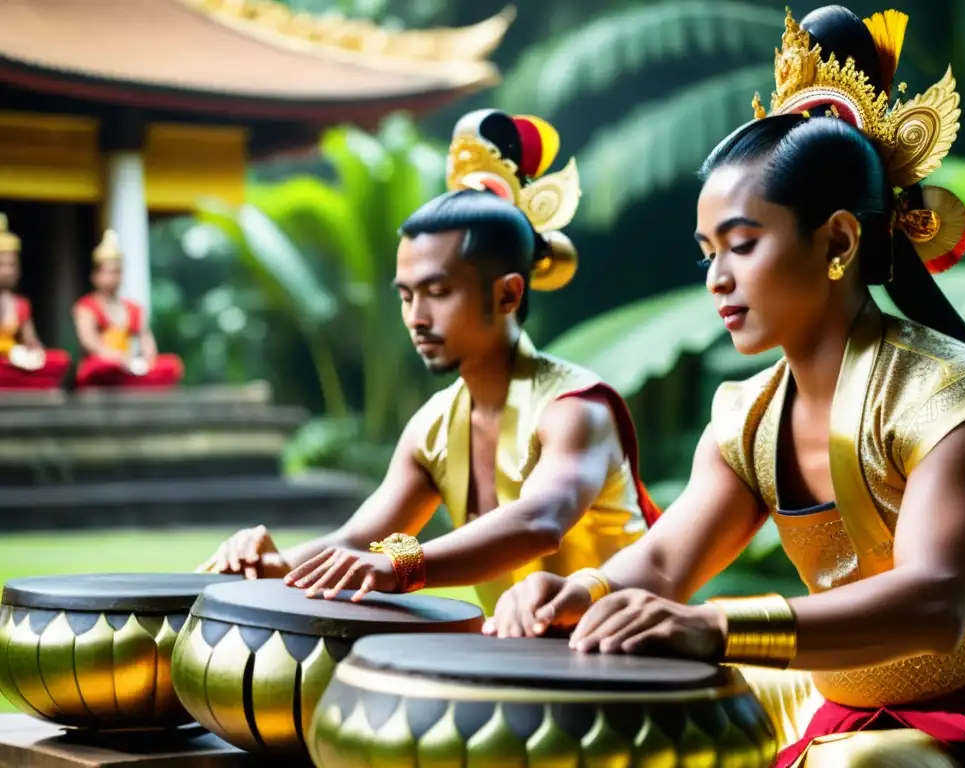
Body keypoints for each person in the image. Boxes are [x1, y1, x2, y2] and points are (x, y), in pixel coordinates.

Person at [484, 7, 965, 767]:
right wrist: (586, 591)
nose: (717, 280)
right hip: (839, 699)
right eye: (708, 252)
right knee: (626, 693)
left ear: (837, 240)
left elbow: (936, 603)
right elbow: (668, 564)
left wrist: (717, 625)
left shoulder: (952, 396)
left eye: (742, 245)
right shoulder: (748, 415)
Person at [197, 109, 660, 614]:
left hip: (635, 657)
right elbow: (364, 539)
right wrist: (276, 566)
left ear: (508, 295)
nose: (416, 317)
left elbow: (539, 523)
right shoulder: (435, 427)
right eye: (406, 295)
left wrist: (402, 566)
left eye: (438, 292)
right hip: (528, 656)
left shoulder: (574, 409)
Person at [72, 229, 184, 390]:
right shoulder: (86, 306)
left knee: (171, 365)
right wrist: (114, 357)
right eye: (108, 272)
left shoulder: (133, 308)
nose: (114, 278)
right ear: (95, 275)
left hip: (128, 365)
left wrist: (147, 360)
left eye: (117, 272)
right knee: (105, 368)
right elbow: (89, 341)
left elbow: (147, 341)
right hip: (104, 364)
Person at [0, 213, 71, 390]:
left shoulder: (21, 304)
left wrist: (35, 351)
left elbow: (30, 340)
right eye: (2, 264)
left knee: (59, 359)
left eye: (12, 265)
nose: (8, 271)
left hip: (14, 362)